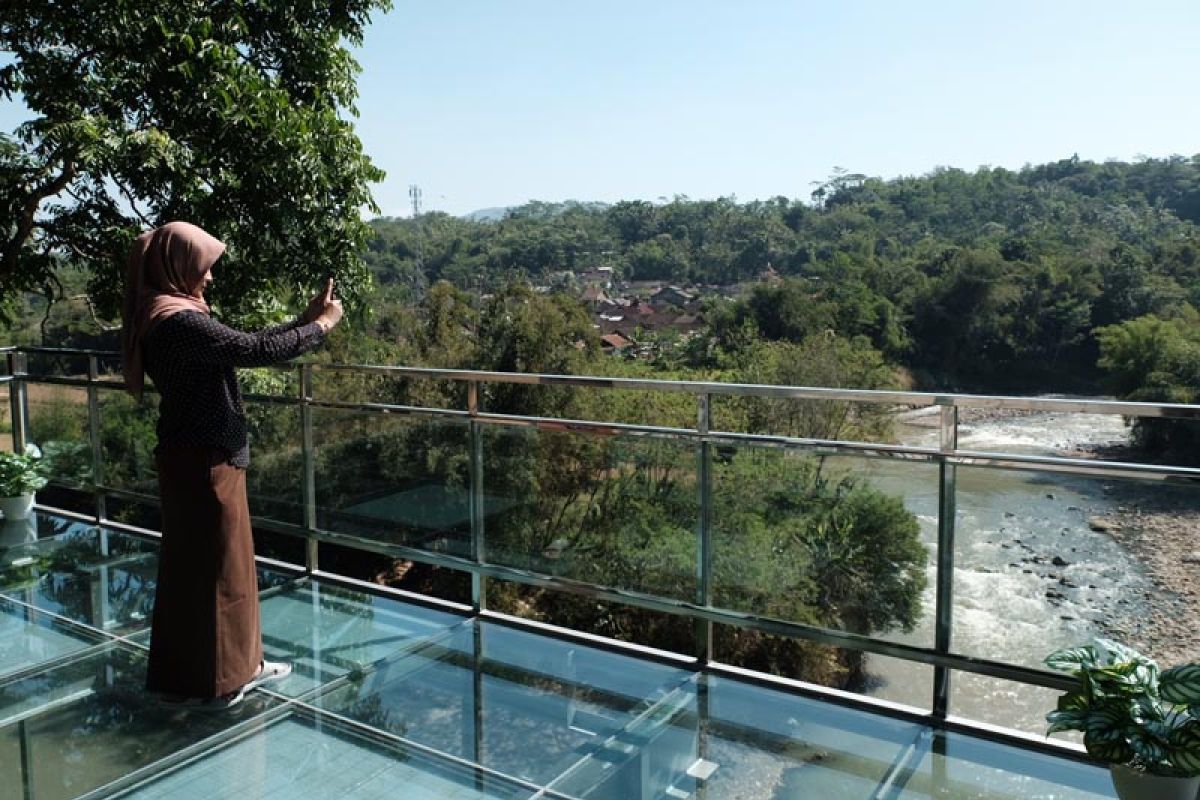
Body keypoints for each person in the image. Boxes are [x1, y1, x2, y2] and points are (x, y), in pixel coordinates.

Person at [120, 221, 343, 708]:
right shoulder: (179, 321)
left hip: (189, 456)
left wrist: (302, 322)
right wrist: (322, 326)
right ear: (178, 265)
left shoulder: (162, 314)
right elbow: (253, 350)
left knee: (197, 573)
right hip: (206, 461)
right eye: (205, 267)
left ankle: (196, 674)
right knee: (224, 573)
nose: (211, 278)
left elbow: (239, 344)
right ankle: (225, 679)